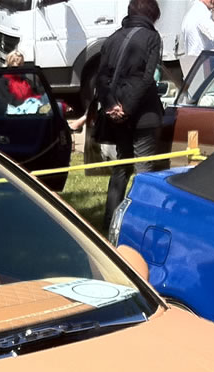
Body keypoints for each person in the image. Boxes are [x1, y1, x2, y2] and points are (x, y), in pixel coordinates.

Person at [95, 0, 166, 231]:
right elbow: (147, 78)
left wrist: (112, 105)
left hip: (116, 113)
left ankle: (109, 224)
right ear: (152, 14)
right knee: (143, 170)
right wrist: (127, 107)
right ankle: (141, 225)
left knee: (121, 168)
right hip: (143, 113)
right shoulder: (152, 38)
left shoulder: (112, 38)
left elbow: (101, 78)